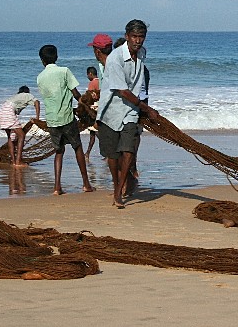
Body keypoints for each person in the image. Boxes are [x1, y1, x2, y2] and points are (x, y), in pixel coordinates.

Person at [96, 20, 158, 208]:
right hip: (111, 111)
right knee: (113, 156)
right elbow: (122, 91)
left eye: (141, 37)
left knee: (129, 150)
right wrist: (147, 109)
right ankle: (117, 184)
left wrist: (142, 107)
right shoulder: (115, 58)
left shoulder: (141, 54)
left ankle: (118, 191)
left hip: (130, 111)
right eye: (134, 37)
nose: (138, 41)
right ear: (127, 36)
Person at [36, 44, 93, 195]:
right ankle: (86, 184)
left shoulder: (40, 77)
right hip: (67, 117)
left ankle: (57, 187)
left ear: (42, 60)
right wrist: (85, 104)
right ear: (56, 57)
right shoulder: (64, 71)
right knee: (77, 147)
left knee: (59, 151)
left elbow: (48, 96)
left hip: (52, 119)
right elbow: (75, 93)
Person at [0, 85, 40, 167]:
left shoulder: (16, 97)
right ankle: (18, 161)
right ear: (27, 91)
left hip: (1, 112)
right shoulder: (27, 95)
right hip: (8, 112)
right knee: (21, 136)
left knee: (10, 137)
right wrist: (37, 117)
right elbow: (37, 102)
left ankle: (13, 161)